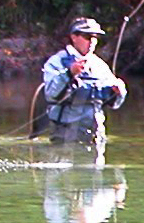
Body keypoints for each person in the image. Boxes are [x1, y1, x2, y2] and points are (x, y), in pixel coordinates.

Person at [38, 15, 128, 153]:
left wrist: (119, 92)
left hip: (95, 135)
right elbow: (51, 94)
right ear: (74, 37)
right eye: (87, 36)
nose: (92, 41)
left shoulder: (99, 65)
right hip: (65, 135)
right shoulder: (57, 62)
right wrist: (69, 74)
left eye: (95, 37)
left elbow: (114, 104)